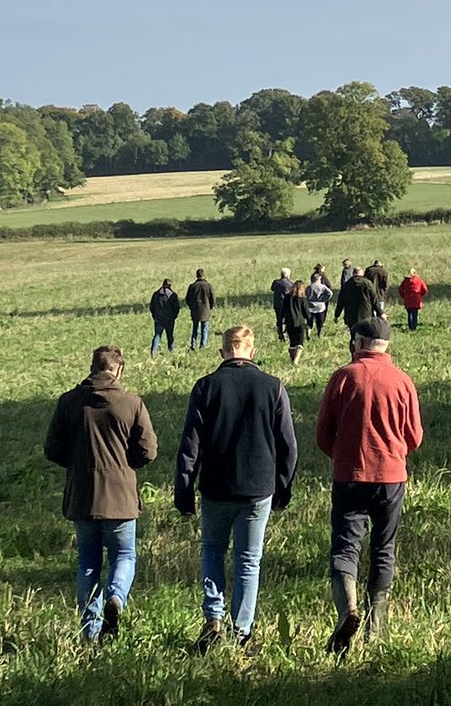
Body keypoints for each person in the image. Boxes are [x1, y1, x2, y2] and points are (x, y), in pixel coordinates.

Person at [175, 325, 298, 652]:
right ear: (252, 351)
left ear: (222, 352)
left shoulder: (205, 387)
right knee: (248, 560)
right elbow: (289, 445)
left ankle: (213, 618)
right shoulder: (273, 387)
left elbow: (191, 446)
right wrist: (283, 487)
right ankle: (241, 630)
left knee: (213, 550)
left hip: (216, 486)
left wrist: (184, 491)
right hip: (258, 487)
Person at [315, 317, 423, 654]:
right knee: (383, 550)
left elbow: (322, 435)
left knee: (345, 550)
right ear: (386, 345)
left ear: (358, 343)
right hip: (391, 477)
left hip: (349, 475)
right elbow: (415, 437)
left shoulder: (343, 378)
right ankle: (375, 630)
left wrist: (344, 455)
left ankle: (347, 608)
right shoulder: (403, 381)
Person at [44, 346, 157, 643]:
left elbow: (52, 449)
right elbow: (148, 451)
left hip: (82, 495)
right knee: (124, 555)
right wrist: (125, 463)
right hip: (120, 497)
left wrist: (78, 461)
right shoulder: (131, 403)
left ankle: (90, 632)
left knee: (88, 563)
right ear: (117, 370)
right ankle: (117, 597)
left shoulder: (68, 402)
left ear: (92, 367)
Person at [335, 267, 379, 332]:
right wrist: (380, 313)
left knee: (353, 336)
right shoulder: (367, 283)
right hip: (366, 315)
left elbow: (340, 302)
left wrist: (337, 315)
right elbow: (374, 299)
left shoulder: (347, 284)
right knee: (365, 336)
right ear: (362, 273)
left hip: (351, 316)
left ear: (353, 273)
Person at [280, 279, 312, 365]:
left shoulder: (287, 297)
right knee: (300, 343)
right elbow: (306, 312)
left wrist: (280, 323)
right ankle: (296, 361)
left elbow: (282, 311)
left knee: (292, 343)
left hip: (289, 323)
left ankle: (292, 359)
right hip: (300, 323)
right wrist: (310, 323)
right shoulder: (303, 299)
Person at [186, 268, 216, 350]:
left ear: (196, 275)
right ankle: (203, 345)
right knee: (204, 329)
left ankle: (193, 344)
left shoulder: (192, 286)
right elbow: (212, 298)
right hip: (206, 309)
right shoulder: (208, 286)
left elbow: (188, 299)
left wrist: (191, 307)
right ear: (204, 275)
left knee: (195, 328)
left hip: (195, 310)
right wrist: (210, 307)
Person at [149, 278, 180, 356]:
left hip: (158, 319)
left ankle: (153, 352)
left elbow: (152, 307)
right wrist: (174, 317)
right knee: (170, 336)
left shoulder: (156, 294)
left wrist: (155, 316)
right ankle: (171, 351)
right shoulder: (173, 295)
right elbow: (176, 308)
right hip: (169, 319)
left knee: (157, 336)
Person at [270, 268, 294, 343]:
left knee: (279, 319)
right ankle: (285, 333)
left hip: (277, 303)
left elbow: (272, 289)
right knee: (287, 319)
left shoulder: (275, 282)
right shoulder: (290, 284)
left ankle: (280, 334)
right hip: (286, 304)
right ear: (288, 275)